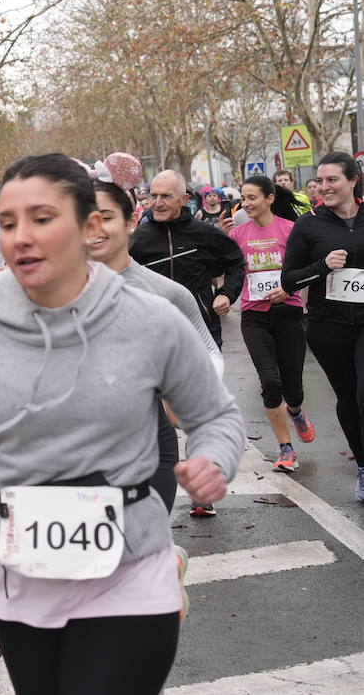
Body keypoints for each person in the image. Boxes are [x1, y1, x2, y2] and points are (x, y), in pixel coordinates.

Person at [0, 154, 245, 695]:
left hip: (130, 565)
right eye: (8, 224)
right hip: (25, 571)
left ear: (90, 226)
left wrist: (215, 459)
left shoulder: (151, 317)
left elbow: (216, 414)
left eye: (42, 218)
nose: (21, 237)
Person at [88, 177, 223, 537]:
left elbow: (208, 351)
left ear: (132, 220)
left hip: (145, 450)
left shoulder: (164, 293)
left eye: (105, 216)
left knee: (132, 548)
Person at [283, 151, 364, 502]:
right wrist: (323, 267)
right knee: (349, 399)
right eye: (320, 180)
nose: (323, 186)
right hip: (327, 326)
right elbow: (288, 280)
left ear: (353, 181)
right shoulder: (309, 224)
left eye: (332, 179)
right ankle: (362, 466)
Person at [230, 176, 314, 474]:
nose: (246, 203)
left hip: (288, 313)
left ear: (269, 198)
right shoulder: (237, 233)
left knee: (293, 388)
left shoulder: (291, 230)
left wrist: (289, 289)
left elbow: (306, 269)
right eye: (243, 197)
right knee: (269, 381)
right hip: (254, 317)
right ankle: (286, 449)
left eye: (252, 197)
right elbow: (226, 267)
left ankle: (295, 410)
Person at [129, 169, 245, 348]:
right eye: (154, 196)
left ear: (184, 199)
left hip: (202, 332)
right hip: (154, 336)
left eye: (166, 196)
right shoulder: (137, 239)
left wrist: (226, 294)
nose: (158, 203)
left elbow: (236, 262)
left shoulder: (204, 233)